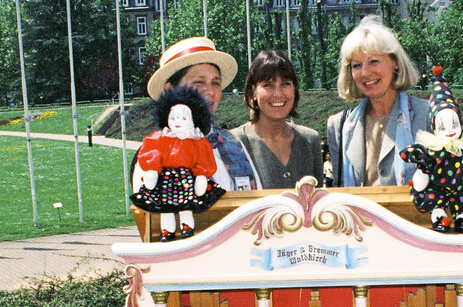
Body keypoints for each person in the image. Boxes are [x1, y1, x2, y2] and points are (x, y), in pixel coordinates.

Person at [326, 16, 430, 187]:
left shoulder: (428, 115)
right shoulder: (340, 126)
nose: (365, 73)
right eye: (356, 65)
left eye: (374, 61)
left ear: (395, 62)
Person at [146, 36, 259, 191]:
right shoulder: (155, 151)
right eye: (199, 82)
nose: (210, 91)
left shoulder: (234, 143)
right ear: (171, 89)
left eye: (216, 83)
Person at [400, 65, 463, 233]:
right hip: (438, 189)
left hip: (460, 189)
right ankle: (439, 216)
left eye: (454, 124)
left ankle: (462, 217)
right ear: (434, 127)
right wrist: (421, 175)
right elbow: (423, 176)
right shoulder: (431, 151)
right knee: (433, 199)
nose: (450, 131)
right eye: (443, 127)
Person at [130, 86, 224, 242]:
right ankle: (167, 230)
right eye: (173, 118)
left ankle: (187, 228)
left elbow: (203, 159)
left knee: (186, 206)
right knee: (165, 207)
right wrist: (152, 171)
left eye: (183, 118)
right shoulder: (160, 139)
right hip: (166, 181)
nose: (177, 122)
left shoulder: (197, 142)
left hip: (186, 181)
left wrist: (201, 176)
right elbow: (152, 152)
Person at [232, 50, 323, 189]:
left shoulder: (310, 140)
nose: (278, 94)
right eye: (268, 85)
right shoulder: (235, 142)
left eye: (285, 84)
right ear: (253, 92)